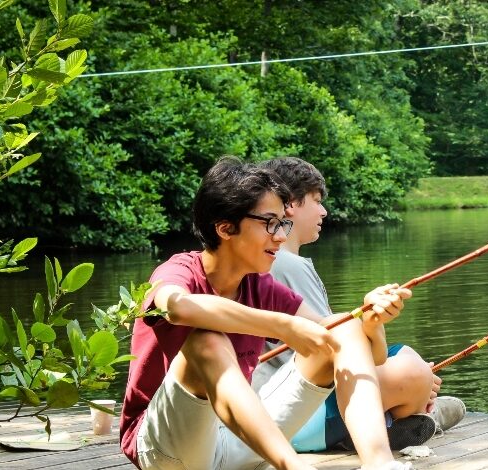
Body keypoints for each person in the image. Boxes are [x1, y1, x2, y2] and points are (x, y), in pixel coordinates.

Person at [119, 156, 416, 470]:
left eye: (282, 223)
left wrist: (370, 321)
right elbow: (178, 307)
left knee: (341, 327)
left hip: (239, 440)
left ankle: (380, 464)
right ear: (225, 227)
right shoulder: (178, 271)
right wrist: (283, 325)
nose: (280, 236)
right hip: (168, 452)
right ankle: (293, 465)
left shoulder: (261, 287)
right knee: (206, 341)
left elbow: (368, 353)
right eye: (269, 223)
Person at [252, 157, 466, 453]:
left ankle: (406, 413)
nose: (324, 211)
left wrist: (370, 323)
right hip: (297, 420)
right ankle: (412, 415)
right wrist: (417, 376)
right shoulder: (286, 264)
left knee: (404, 361)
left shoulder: (269, 263)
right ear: (290, 204)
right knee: (410, 366)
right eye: (316, 200)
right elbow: (335, 350)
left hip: (280, 414)